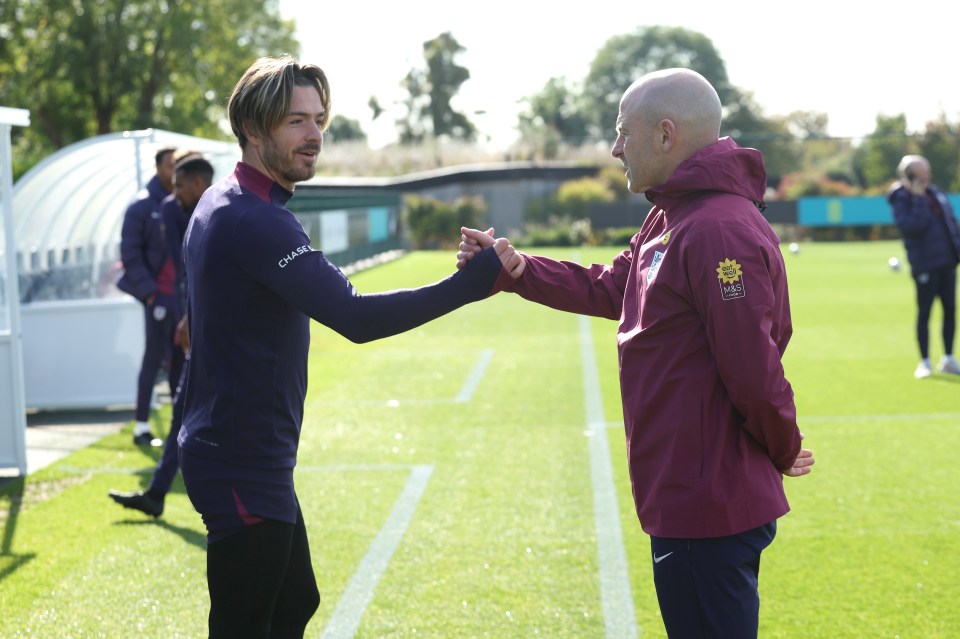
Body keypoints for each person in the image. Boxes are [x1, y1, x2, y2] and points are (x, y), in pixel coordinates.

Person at [458, 68, 814, 639]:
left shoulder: (716, 229)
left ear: (666, 134)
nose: (615, 147)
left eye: (624, 132)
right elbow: (613, 287)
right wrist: (517, 270)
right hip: (685, 492)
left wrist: (784, 442)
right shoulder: (671, 214)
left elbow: (753, 367)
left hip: (708, 501)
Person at [177, 55, 522, 639]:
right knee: (246, 623)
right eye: (295, 121)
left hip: (241, 448)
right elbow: (355, 317)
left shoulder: (225, 201)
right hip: (240, 455)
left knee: (292, 603)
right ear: (254, 130)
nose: (314, 135)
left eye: (319, 119)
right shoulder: (257, 221)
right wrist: (473, 283)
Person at [108, 152, 215, 518]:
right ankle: (158, 490)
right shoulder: (168, 209)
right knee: (181, 399)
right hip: (185, 316)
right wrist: (181, 312)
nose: (174, 190)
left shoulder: (223, 206)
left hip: (214, 324)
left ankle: (165, 490)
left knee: (192, 404)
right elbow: (187, 267)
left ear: (197, 183)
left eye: (180, 184)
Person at [116, 145, 180, 446]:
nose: (175, 170)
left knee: (182, 362)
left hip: (181, 299)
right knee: (154, 359)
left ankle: (181, 430)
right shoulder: (142, 205)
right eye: (170, 165)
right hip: (159, 298)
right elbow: (129, 252)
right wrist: (151, 294)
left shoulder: (184, 201)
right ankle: (142, 426)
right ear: (158, 168)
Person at [887, 155, 960, 378]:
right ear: (910, 175)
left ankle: (948, 358)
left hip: (947, 262)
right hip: (925, 265)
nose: (927, 176)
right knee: (925, 312)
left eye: (927, 171)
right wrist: (917, 199)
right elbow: (912, 228)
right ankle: (925, 362)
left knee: (950, 310)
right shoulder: (902, 198)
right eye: (922, 172)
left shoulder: (935, 192)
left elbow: (951, 224)